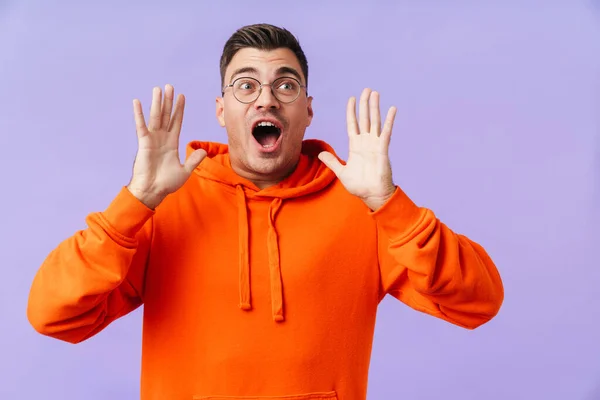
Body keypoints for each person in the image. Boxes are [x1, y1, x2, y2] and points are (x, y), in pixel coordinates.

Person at [27, 23, 504, 400]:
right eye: (246, 85)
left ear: (308, 110)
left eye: (286, 85)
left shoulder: (361, 208)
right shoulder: (165, 208)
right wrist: (134, 203)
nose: (267, 98)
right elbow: (52, 315)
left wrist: (388, 204)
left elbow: (478, 301)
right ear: (220, 109)